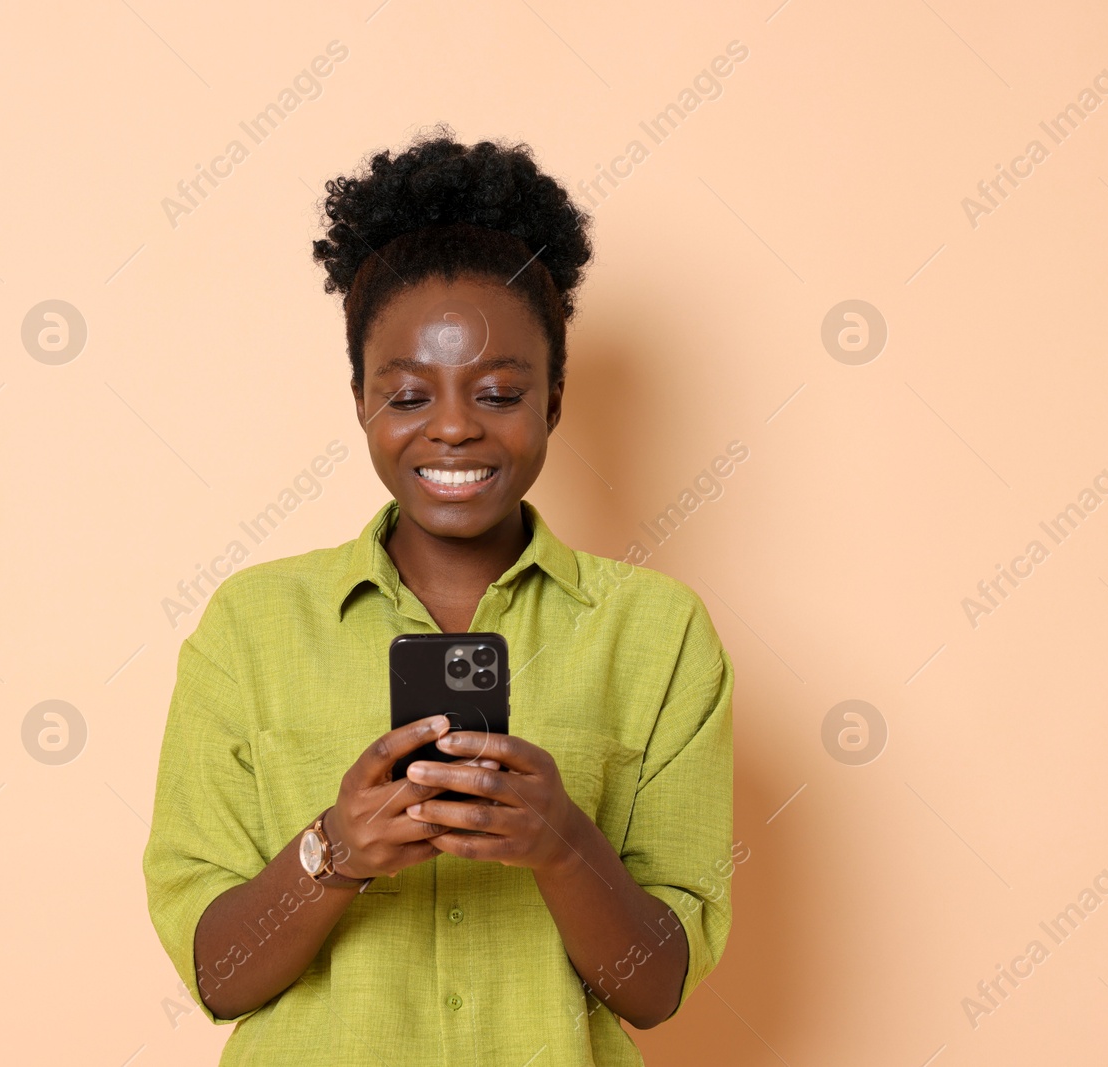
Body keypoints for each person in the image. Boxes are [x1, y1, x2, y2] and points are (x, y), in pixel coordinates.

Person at [141, 132, 736, 1066]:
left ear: (555, 398)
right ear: (360, 401)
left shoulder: (659, 635)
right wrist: (333, 847)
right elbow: (220, 974)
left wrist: (561, 842)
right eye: (409, 396)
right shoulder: (249, 628)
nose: (454, 426)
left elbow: (656, 991)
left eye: (499, 391)